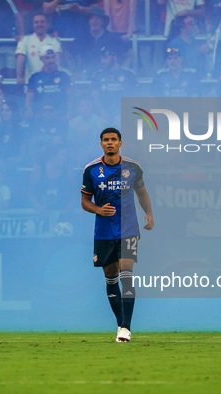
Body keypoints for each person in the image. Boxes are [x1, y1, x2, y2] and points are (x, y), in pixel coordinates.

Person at [81, 127, 154, 342]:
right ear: (101, 144)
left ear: (120, 143)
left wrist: (148, 213)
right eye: (106, 140)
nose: (110, 143)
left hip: (128, 229)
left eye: (114, 139)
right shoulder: (92, 170)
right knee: (111, 277)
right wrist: (98, 209)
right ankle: (120, 325)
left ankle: (126, 328)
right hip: (104, 231)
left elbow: (142, 192)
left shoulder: (133, 167)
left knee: (126, 272)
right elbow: (84, 201)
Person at [74, 6, 129, 77]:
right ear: (88, 21)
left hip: (108, 77)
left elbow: (129, 54)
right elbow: (69, 54)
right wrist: (75, 70)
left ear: (103, 21)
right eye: (92, 18)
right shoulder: (82, 38)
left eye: (98, 18)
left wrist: (121, 71)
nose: (94, 21)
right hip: (87, 77)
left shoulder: (113, 38)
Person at [91, 46, 137, 121]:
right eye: (101, 58)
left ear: (114, 57)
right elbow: (95, 96)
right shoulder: (97, 75)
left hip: (125, 115)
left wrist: (123, 114)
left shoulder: (128, 74)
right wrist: (101, 111)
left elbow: (134, 96)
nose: (102, 61)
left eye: (105, 58)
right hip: (103, 116)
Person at [15, 13, 62, 86]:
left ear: (47, 24)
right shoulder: (25, 39)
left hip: (50, 83)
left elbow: (57, 60)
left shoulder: (54, 40)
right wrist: (19, 77)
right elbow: (20, 59)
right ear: (33, 25)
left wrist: (57, 76)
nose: (39, 24)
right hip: (31, 83)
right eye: (36, 22)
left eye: (42, 22)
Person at [26, 45, 71, 118]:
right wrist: (29, 111)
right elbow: (29, 98)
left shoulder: (65, 74)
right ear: (41, 59)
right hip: (40, 117)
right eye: (47, 58)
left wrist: (69, 113)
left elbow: (70, 97)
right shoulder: (34, 76)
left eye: (53, 57)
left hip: (60, 116)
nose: (51, 61)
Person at [0, 99, 28, 166]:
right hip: (1, 164)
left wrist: (15, 161)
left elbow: (23, 153)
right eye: (2, 110)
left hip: (16, 165)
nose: (4, 113)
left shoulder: (21, 129)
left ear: (14, 112)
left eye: (7, 110)